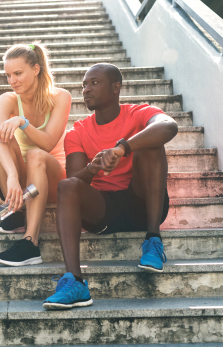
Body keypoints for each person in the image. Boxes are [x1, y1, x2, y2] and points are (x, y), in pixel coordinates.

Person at [43, 63, 178, 310]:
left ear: (116, 88)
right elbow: (72, 181)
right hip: (102, 211)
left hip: (142, 204)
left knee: (152, 144)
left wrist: (122, 148)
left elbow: (169, 126)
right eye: (84, 84)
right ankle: (75, 281)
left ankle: (153, 240)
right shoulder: (78, 131)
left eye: (94, 82)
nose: (86, 89)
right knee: (67, 185)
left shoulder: (138, 113)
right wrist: (92, 169)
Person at [0, 42, 71, 266]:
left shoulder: (60, 97)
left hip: (51, 179)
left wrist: (22, 122)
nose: (12, 81)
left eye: (18, 73)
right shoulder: (8, 99)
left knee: (35, 154)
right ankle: (14, 211)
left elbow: (48, 142)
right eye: (8, 75)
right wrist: (13, 177)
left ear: (35, 69)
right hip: (23, 182)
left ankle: (30, 243)